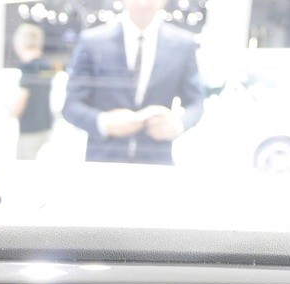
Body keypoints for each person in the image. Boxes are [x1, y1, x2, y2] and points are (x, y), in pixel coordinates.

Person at [63, 0, 204, 165]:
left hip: (156, 160)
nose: (143, 3)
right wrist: (105, 122)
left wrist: (178, 124)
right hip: (103, 160)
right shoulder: (93, 42)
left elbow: (195, 102)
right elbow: (71, 105)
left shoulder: (183, 45)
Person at [10, 24, 54, 161]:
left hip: (30, 129)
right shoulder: (46, 65)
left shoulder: (28, 67)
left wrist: (11, 116)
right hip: (46, 125)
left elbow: (23, 97)